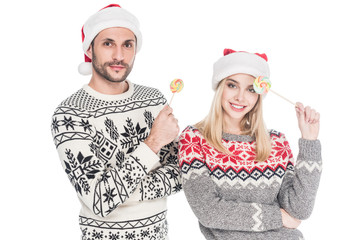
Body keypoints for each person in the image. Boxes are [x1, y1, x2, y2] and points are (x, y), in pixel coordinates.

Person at [51, 4, 181, 240]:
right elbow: (100, 201)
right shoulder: (70, 114)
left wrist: (122, 190)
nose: (119, 56)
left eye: (127, 45)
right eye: (108, 43)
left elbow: (182, 173)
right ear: (90, 50)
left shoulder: (154, 99)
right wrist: (152, 143)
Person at [178, 49, 322, 240]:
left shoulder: (276, 142)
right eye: (232, 85)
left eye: (251, 89)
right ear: (220, 87)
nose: (240, 97)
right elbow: (210, 212)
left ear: (259, 96)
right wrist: (277, 216)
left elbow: (298, 211)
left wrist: (309, 142)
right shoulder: (193, 139)